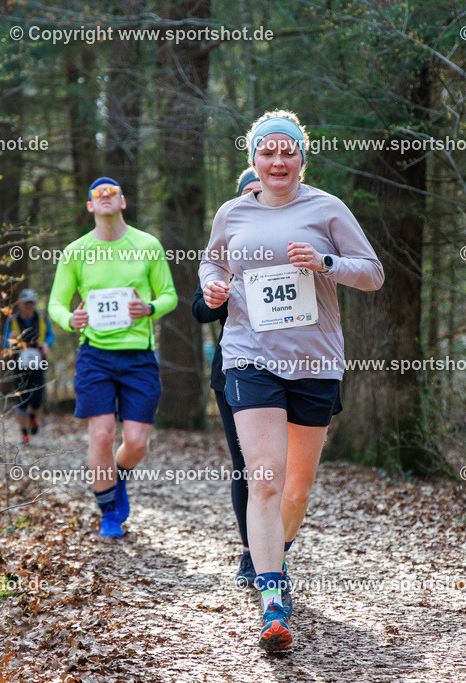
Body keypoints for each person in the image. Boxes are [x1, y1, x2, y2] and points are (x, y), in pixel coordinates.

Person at [199, 111, 384, 651]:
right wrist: (214, 289)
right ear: (253, 159)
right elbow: (211, 266)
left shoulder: (327, 209)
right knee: (265, 479)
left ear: (302, 158)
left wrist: (327, 261)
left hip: (314, 363)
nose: (277, 161)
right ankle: (272, 601)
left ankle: (276, 554)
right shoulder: (232, 213)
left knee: (297, 489)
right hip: (249, 357)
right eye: (267, 152)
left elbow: (372, 272)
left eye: (288, 152)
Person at [49, 177, 178, 538]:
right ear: (89, 206)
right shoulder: (76, 252)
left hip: (138, 356)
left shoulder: (147, 245)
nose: (105, 197)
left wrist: (148, 307)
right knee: (102, 436)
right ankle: (108, 511)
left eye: (112, 193)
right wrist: (69, 318)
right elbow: (56, 303)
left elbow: (169, 295)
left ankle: (116, 477)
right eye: (98, 194)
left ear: (124, 201)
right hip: (96, 355)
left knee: (136, 443)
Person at [192, 169, 262, 589]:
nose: (257, 199)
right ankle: (252, 554)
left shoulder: (293, 241)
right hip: (235, 371)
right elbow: (199, 309)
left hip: (297, 369)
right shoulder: (226, 248)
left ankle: (276, 545)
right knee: (247, 467)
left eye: (262, 192)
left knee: (284, 472)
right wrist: (220, 294)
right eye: (248, 194)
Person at [2, 289, 54, 446]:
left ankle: (33, 416)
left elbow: (50, 335)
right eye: (26, 303)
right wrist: (10, 342)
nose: (29, 306)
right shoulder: (13, 321)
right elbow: (4, 342)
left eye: (32, 302)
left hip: (39, 364)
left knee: (37, 399)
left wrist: (47, 344)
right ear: (20, 303)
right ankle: (24, 436)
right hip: (19, 365)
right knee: (21, 401)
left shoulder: (43, 319)